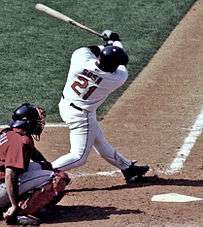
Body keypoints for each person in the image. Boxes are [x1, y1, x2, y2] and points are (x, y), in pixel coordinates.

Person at [52, 30, 149, 184]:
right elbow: (121, 61)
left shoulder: (80, 59)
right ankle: (44, 173)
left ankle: (128, 168)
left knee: (100, 142)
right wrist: (114, 40)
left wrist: (106, 45)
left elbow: (91, 49)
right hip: (81, 116)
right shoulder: (117, 78)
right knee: (79, 156)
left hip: (66, 104)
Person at [0, 103, 68, 225]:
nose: (39, 124)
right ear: (28, 123)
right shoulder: (19, 141)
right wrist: (14, 205)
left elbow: (35, 154)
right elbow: (10, 175)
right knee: (57, 178)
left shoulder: (9, 133)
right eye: (36, 121)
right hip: (1, 186)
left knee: (45, 168)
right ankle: (18, 213)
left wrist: (46, 164)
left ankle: (12, 204)